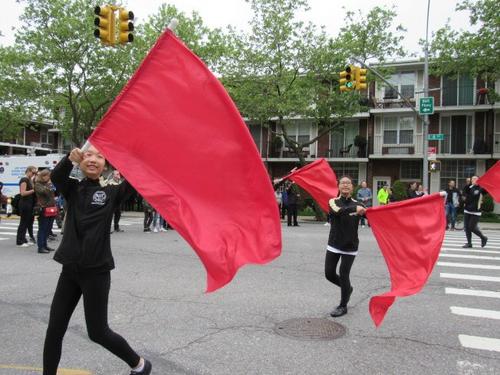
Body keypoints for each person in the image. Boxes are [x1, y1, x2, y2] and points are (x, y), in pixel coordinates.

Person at [43, 145, 152, 375]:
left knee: (98, 332)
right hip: (70, 270)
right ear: (81, 159)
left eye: (99, 156)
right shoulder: (73, 188)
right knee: (54, 329)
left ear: (105, 164)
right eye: (88, 154)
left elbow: (137, 178)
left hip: (97, 272)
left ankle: (140, 365)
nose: (93, 159)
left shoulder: (113, 191)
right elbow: (57, 176)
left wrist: (133, 156)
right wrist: (68, 159)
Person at [325, 176, 366, 318]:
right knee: (329, 274)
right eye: (343, 183)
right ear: (339, 187)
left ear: (352, 187)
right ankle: (348, 289)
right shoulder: (333, 202)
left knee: (344, 274)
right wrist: (355, 208)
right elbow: (337, 211)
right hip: (334, 244)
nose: (345, 185)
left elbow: (373, 216)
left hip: (350, 246)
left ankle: (343, 305)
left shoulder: (359, 203)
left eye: (348, 183)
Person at [34, 169, 57, 254]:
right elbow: (45, 192)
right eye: (48, 176)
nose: (49, 177)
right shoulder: (38, 184)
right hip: (44, 208)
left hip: (51, 208)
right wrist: (49, 185)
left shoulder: (46, 184)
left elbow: (54, 193)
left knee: (47, 228)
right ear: (43, 176)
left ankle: (45, 245)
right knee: (42, 228)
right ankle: (41, 247)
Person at [462, 176, 488, 248]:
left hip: (476, 210)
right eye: (472, 179)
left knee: (472, 227)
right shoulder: (468, 187)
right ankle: (469, 243)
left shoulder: (481, 188)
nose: (473, 180)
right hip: (467, 209)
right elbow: (464, 195)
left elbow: (486, 191)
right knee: (466, 228)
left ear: (479, 180)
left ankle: (483, 238)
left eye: (475, 179)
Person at [16, 166, 38, 247]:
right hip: (25, 204)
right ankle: (19, 241)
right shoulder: (24, 179)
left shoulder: (30, 180)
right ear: (28, 171)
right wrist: (33, 190)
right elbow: (22, 193)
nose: (33, 174)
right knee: (23, 223)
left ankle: (24, 239)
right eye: (33, 173)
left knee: (28, 222)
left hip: (30, 204)